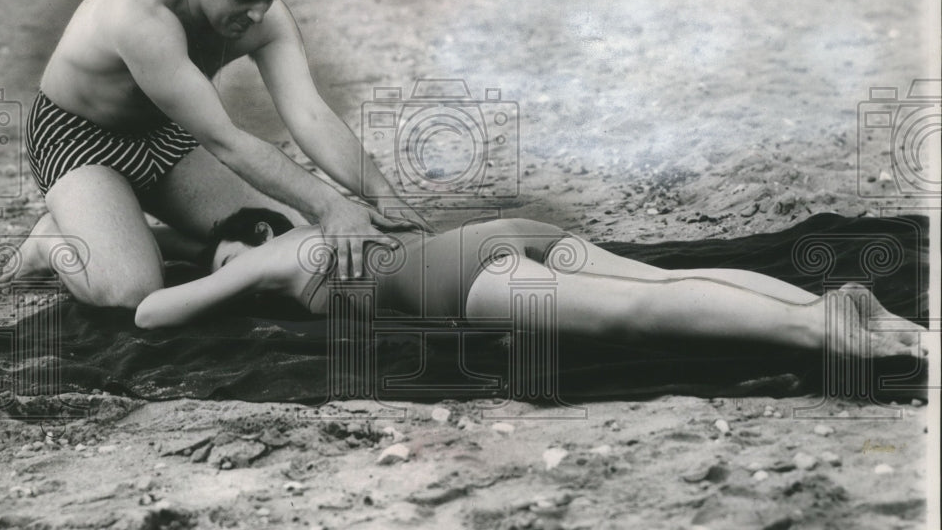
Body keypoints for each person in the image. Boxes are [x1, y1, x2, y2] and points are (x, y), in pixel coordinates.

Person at [3, 0, 426, 309]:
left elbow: (310, 115)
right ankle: (49, 241)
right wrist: (332, 205)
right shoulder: (141, 16)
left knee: (284, 237)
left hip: (165, 131)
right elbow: (227, 142)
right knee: (131, 290)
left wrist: (383, 197)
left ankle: (140, 236)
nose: (259, 15)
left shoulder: (264, 15)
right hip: (77, 136)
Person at [133, 209, 924, 367]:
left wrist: (225, 276)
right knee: (668, 279)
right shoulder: (336, 229)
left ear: (260, 236)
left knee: (637, 318)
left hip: (454, 276)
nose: (236, 281)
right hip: (495, 234)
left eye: (231, 261)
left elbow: (149, 309)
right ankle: (822, 304)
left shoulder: (282, 251)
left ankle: (822, 332)